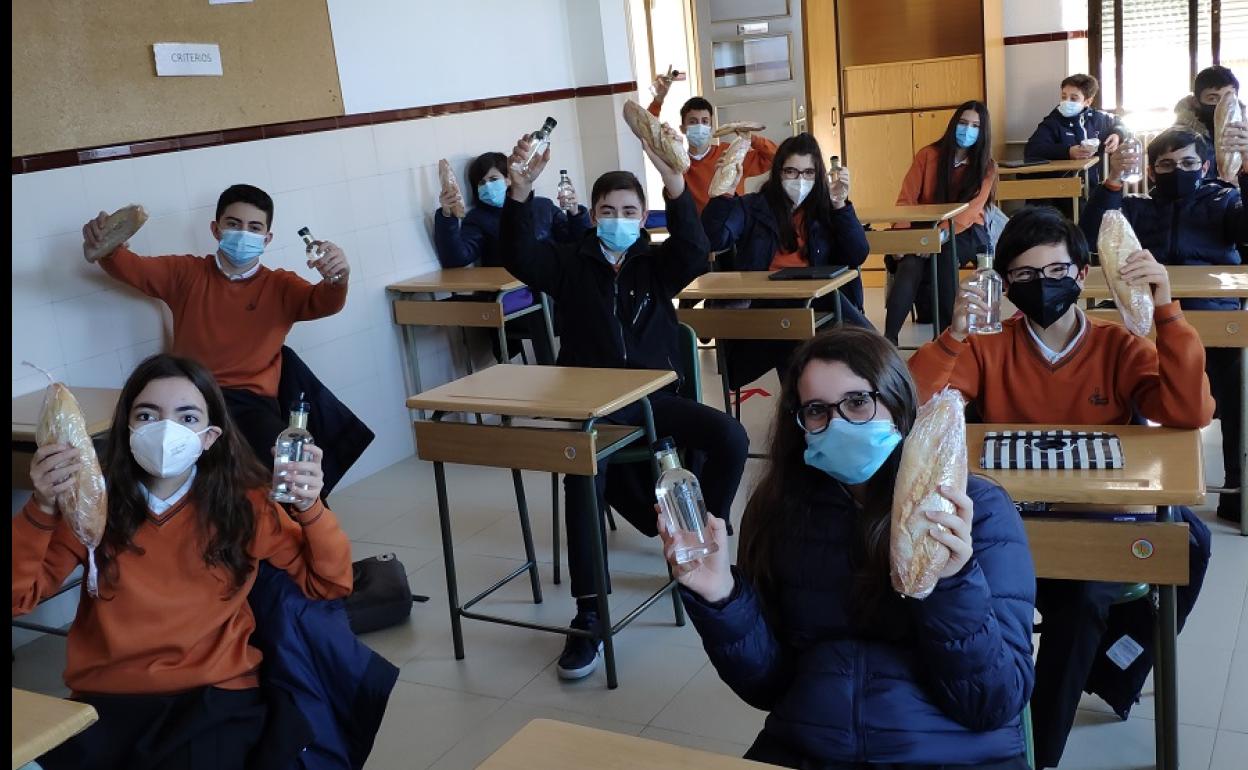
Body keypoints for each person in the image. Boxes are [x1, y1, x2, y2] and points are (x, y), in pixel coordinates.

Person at [908, 207, 1214, 769]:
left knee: (1175, 549)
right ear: (1005, 285)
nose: (1042, 286)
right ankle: (1015, 713)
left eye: (1056, 272)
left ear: (1081, 275)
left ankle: (1047, 739)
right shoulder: (988, 345)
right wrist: (953, 337)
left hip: (1095, 514)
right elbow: (919, 406)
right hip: (1010, 519)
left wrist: (1166, 312)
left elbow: (1189, 410)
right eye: (1024, 276)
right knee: (1038, 591)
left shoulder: (1117, 346)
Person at [661, 327, 1034, 769]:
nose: (838, 423)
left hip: (950, 751)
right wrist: (722, 598)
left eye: (858, 402)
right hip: (811, 747)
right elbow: (768, 688)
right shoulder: (779, 509)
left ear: (897, 406)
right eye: (816, 411)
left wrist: (952, 582)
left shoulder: (976, 511)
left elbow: (993, 701)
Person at [12, 354, 353, 769]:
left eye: (187, 417)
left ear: (210, 437)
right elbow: (19, 598)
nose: (166, 429)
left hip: (213, 694)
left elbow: (330, 584)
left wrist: (311, 508)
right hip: (108, 697)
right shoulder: (93, 502)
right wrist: (42, 507)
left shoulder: (247, 504)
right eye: (147, 414)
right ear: (128, 427)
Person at [499, 131, 749, 681]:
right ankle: (589, 614)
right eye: (607, 210)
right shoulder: (568, 263)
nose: (618, 218)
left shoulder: (654, 264)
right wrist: (519, 193)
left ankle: (706, 533)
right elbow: (518, 255)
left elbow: (692, 248)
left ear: (642, 217)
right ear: (592, 215)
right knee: (582, 478)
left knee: (732, 437)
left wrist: (677, 185)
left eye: (629, 211)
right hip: (594, 410)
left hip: (655, 401)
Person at [81, 184, 363, 486]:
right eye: (233, 224)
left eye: (254, 228)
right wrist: (105, 242)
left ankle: (296, 529)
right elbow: (130, 267)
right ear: (216, 230)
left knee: (289, 469)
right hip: (190, 398)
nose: (243, 234)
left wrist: (339, 276)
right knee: (132, 463)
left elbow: (326, 301)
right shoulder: (185, 273)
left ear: (267, 239)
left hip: (250, 403)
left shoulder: (281, 286)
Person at [1081, 126, 1247, 524]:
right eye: (1168, 165)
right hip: (1146, 315)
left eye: (1189, 163)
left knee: (1236, 390)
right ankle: (1135, 484)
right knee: (1128, 382)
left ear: (1204, 166)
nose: (1180, 171)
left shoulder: (1224, 201)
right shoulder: (1137, 207)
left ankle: (1237, 491)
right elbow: (1090, 234)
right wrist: (1114, 181)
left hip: (1212, 312)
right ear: (1152, 171)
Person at [701, 132, 872, 392]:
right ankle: (806, 408)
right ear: (778, 172)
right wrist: (724, 193)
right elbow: (714, 239)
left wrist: (840, 205)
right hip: (763, 309)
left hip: (818, 304)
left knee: (864, 349)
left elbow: (857, 254)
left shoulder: (825, 209)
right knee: (795, 335)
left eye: (808, 173)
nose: (799, 180)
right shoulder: (752, 206)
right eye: (791, 172)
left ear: (818, 176)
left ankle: (814, 406)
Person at [434, 151, 592, 364]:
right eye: (481, 183)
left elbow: (578, 242)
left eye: (493, 179)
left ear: (510, 179)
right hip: (519, 299)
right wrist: (446, 216)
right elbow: (456, 258)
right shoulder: (478, 219)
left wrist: (575, 212)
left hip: (556, 292)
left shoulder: (543, 207)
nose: (487, 186)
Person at [885, 101, 997, 345]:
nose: (967, 130)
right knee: (909, 261)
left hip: (967, 230)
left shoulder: (986, 167)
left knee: (944, 254)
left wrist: (935, 239)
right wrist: (903, 239)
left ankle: (948, 337)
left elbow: (968, 213)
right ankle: (889, 339)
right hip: (925, 227)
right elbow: (906, 199)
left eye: (975, 126)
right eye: (963, 123)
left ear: (983, 131)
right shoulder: (928, 155)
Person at [648, 77, 777, 212]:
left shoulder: (730, 153)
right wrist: (658, 101)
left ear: (710, 127)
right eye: (693, 122)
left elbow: (775, 157)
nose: (700, 126)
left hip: (734, 228)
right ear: (683, 128)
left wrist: (751, 138)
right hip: (698, 229)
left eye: (705, 121)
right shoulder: (677, 162)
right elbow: (649, 132)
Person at [1024, 73, 1125, 190]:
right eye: (1063, 96)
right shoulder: (1053, 121)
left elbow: (1121, 124)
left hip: (1097, 187)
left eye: (1073, 98)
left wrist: (1117, 134)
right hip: (1064, 191)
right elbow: (1032, 149)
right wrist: (1067, 152)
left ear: (1088, 101)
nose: (1066, 102)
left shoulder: (1099, 118)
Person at [1174, 65, 1244, 181]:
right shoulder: (1177, 138)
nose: (1222, 105)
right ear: (1196, 102)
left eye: (1228, 97)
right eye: (1213, 98)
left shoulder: (1243, 134)